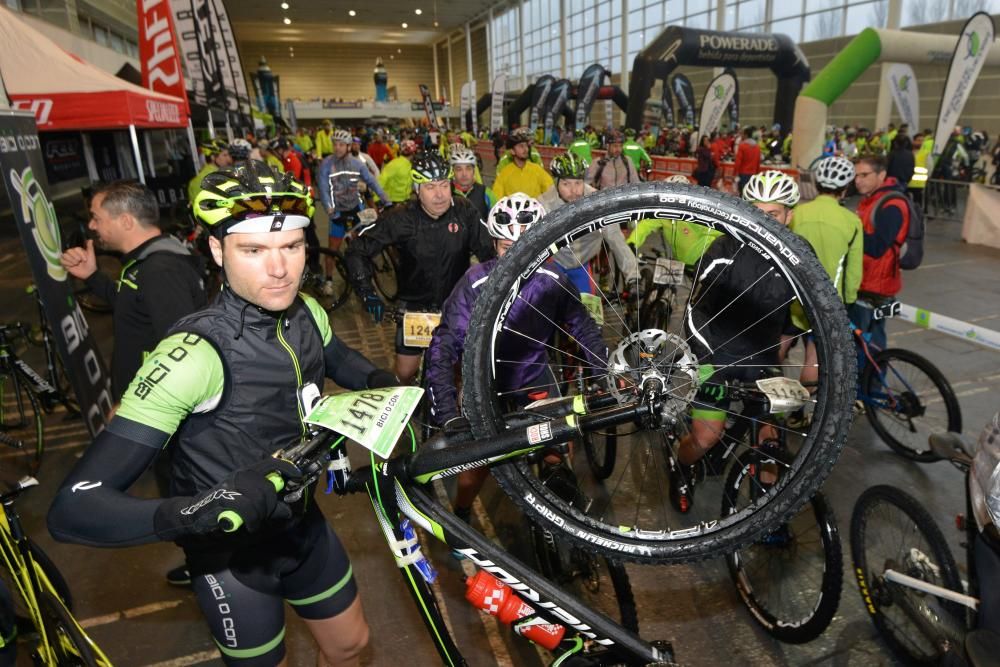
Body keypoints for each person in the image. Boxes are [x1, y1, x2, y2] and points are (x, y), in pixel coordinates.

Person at [49, 161, 397, 666]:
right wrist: (197, 512)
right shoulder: (194, 353)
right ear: (217, 250)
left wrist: (387, 385)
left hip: (303, 526)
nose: (279, 269)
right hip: (231, 561)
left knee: (351, 646)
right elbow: (72, 509)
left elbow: (344, 361)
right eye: (253, 250)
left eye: (292, 247)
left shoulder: (307, 312)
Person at [424, 194, 608, 523]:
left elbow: (584, 328)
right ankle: (462, 514)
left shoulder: (555, 279)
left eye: (526, 248)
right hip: (485, 384)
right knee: (473, 472)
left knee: (558, 452)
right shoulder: (474, 282)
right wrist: (448, 413)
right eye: (508, 248)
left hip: (533, 376)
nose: (517, 260)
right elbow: (443, 345)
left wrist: (604, 374)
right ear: (494, 245)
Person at [667, 172, 795, 513]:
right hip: (716, 356)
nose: (763, 222)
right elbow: (695, 311)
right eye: (756, 210)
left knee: (771, 443)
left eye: (774, 214)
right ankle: (681, 465)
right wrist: (708, 361)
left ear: (789, 216)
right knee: (706, 438)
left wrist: (785, 343)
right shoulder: (723, 250)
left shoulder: (799, 255)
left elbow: (805, 311)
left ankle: (766, 513)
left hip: (763, 359)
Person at [345, 152, 495, 384]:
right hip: (414, 309)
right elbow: (357, 250)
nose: (439, 194)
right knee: (404, 374)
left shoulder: (464, 211)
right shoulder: (401, 217)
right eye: (430, 187)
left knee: (457, 374)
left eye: (444, 185)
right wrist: (367, 294)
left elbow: (489, 254)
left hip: (455, 305)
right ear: (417, 189)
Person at [783, 157, 863, 392]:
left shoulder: (797, 213)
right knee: (813, 358)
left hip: (791, 295)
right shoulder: (852, 221)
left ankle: (763, 409)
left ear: (816, 183)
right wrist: (848, 301)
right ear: (846, 188)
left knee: (777, 347)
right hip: (826, 301)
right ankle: (798, 414)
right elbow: (853, 271)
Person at [539, 152, 639, 294]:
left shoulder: (597, 203)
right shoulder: (544, 203)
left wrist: (633, 276)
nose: (573, 191)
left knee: (590, 314)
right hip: (554, 265)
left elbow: (616, 239)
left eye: (578, 183)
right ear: (556, 182)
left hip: (582, 267)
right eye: (566, 184)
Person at [850, 154, 911, 355]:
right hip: (864, 283)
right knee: (864, 345)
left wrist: (847, 232)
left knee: (872, 348)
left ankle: (873, 386)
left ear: (881, 174)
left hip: (876, 289)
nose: (858, 181)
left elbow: (877, 246)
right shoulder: (869, 200)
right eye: (856, 175)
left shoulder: (892, 205)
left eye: (864, 175)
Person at [317, 129, 393, 252]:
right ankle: (329, 272)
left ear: (348, 146)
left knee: (369, 234)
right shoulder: (326, 164)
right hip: (337, 212)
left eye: (341, 145)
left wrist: (386, 200)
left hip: (356, 207)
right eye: (335, 144)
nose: (337, 148)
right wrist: (332, 214)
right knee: (332, 250)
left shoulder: (357, 163)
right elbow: (323, 191)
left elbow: (372, 182)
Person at [492, 128, 554, 199]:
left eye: (526, 146)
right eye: (521, 146)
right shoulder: (504, 173)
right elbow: (496, 198)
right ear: (512, 151)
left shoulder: (537, 170)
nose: (525, 149)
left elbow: (551, 191)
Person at [450, 145, 496, 220]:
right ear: (453, 172)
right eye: (459, 169)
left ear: (474, 171)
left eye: (468, 168)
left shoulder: (486, 192)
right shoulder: (446, 192)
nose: (464, 174)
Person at [378, 139, 418, 205]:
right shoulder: (396, 164)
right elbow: (380, 181)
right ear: (413, 153)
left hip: (404, 200)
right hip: (393, 201)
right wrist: (377, 200)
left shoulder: (409, 164)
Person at [734, 126, 761, 196]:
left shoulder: (742, 146)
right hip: (753, 173)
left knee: (743, 194)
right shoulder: (757, 147)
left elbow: (738, 161)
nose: (741, 135)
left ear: (746, 135)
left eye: (742, 134)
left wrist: (735, 173)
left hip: (743, 174)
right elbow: (758, 162)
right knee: (751, 194)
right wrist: (757, 173)